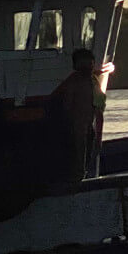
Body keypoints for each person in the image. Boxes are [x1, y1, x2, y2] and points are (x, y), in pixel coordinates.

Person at [49, 48, 106, 181]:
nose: (88, 67)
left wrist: (98, 136)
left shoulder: (93, 82)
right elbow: (64, 106)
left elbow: (99, 111)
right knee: (76, 162)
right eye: (84, 64)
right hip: (73, 129)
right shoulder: (72, 83)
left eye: (90, 64)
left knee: (84, 161)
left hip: (86, 128)